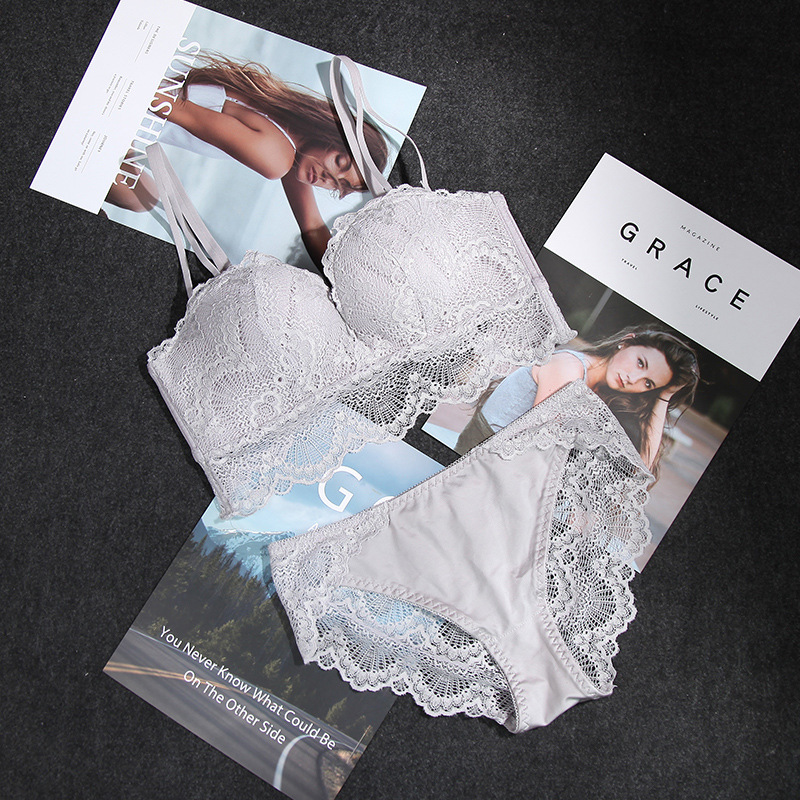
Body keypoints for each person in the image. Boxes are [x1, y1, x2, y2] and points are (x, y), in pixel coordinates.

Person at [105, 54, 389, 271]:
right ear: (331, 135)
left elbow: (312, 226)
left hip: (142, 101)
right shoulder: (277, 156)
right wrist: (118, 90)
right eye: (339, 162)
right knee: (136, 198)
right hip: (126, 104)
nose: (328, 179)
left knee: (144, 196)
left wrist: (343, 277)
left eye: (340, 185)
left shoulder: (284, 123)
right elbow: (172, 106)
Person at [455, 325, 700, 473]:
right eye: (640, 363)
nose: (633, 379)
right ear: (625, 343)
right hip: (480, 455)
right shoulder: (569, 367)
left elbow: (640, 467)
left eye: (648, 384)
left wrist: (665, 397)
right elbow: (543, 443)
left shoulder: (602, 390)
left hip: (510, 464)